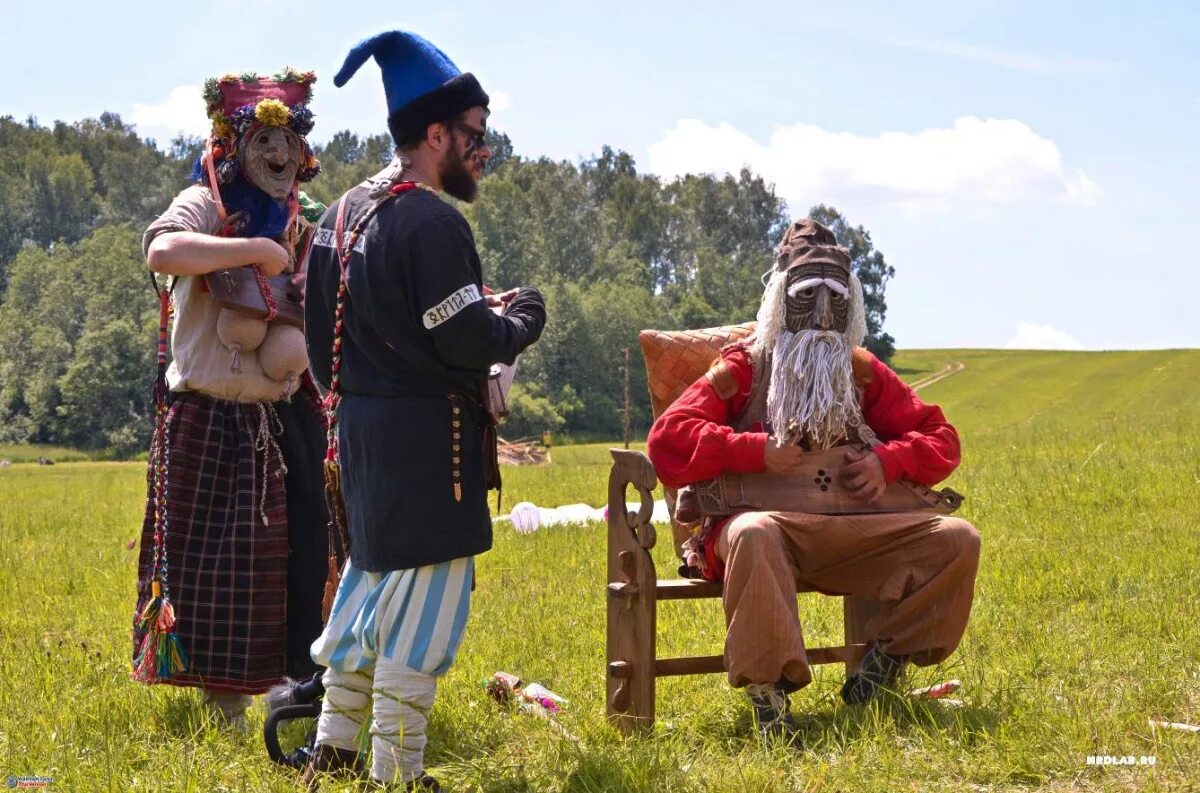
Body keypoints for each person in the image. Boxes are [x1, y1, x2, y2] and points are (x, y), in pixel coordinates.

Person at [301, 31, 546, 791]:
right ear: (434, 133)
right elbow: (470, 340)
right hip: (426, 449)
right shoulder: (432, 224)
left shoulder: (338, 216)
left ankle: (335, 751)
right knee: (423, 614)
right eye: (475, 135)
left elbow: (319, 352)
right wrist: (522, 318)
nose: (484, 151)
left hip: (362, 444)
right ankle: (396, 774)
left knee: (366, 592)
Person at [646, 218, 980, 739]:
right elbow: (667, 443)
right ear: (782, 300)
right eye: (807, 297)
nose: (824, 317)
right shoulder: (744, 370)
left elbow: (943, 440)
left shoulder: (863, 373)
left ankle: (883, 666)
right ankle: (770, 701)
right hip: (764, 535)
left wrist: (887, 463)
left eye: (837, 299)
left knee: (957, 540)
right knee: (755, 532)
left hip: (853, 534)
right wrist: (756, 451)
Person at [132, 69, 330, 727]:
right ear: (234, 140)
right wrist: (251, 250)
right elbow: (161, 251)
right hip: (210, 413)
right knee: (215, 571)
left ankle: (293, 691)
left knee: (290, 567)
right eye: (263, 139)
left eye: (289, 140)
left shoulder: (301, 217)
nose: (279, 155)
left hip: (277, 418)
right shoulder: (203, 199)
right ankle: (223, 709)